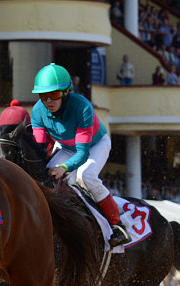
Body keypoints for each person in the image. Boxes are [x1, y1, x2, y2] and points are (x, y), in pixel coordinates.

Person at [29, 63, 130, 247]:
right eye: (43, 96)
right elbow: (40, 148)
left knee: (86, 175)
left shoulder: (83, 107)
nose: (48, 101)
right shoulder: (37, 111)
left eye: (54, 94)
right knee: (45, 174)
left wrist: (64, 168)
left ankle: (117, 225)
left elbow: (83, 154)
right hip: (67, 147)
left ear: (66, 92)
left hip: (95, 145)